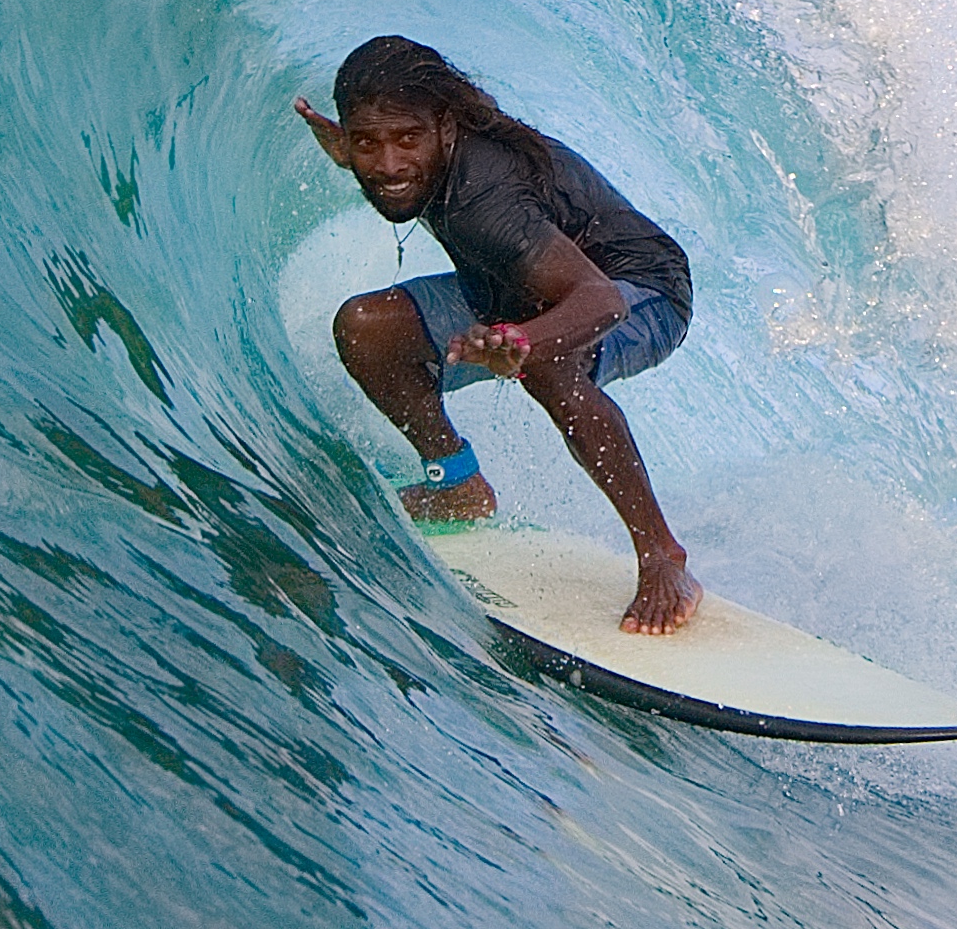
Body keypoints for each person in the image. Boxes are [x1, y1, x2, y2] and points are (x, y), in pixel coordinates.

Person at [292, 35, 703, 633]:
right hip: (508, 287)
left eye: (408, 140)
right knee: (368, 329)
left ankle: (663, 554)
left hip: (640, 292)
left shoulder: (484, 199)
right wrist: (352, 150)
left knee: (545, 366)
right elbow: (389, 152)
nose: (387, 165)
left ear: (447, 127)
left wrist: (524, 340)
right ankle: (458, 485)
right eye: (365, 143)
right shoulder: (414, 151)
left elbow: (600, 300)